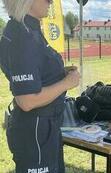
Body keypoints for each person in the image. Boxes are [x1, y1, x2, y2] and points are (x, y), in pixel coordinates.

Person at [0, 0, 80, 172]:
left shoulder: (27, 29)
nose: (50, 1)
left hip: (45, 128)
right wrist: (67, 83)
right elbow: (27, 101)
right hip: (35, 130)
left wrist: (60, 72)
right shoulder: (22, 36)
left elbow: (35, 71)